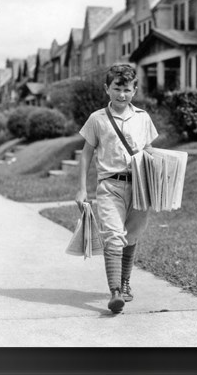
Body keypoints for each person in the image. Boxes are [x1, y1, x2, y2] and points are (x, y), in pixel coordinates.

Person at [75, 64, 158, 314]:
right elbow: (86, 153)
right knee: (113, 235)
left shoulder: (143, 117)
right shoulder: (97, 119)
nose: (122, 94)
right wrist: (82, 189)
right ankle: (115, 293)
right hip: (110, 186)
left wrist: (159, 181)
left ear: (135, 90)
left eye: (127, 89)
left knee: (131, 235)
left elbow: (150, 152)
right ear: (107, 89)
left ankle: (124, 282)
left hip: (140, 187)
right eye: (117, 88)